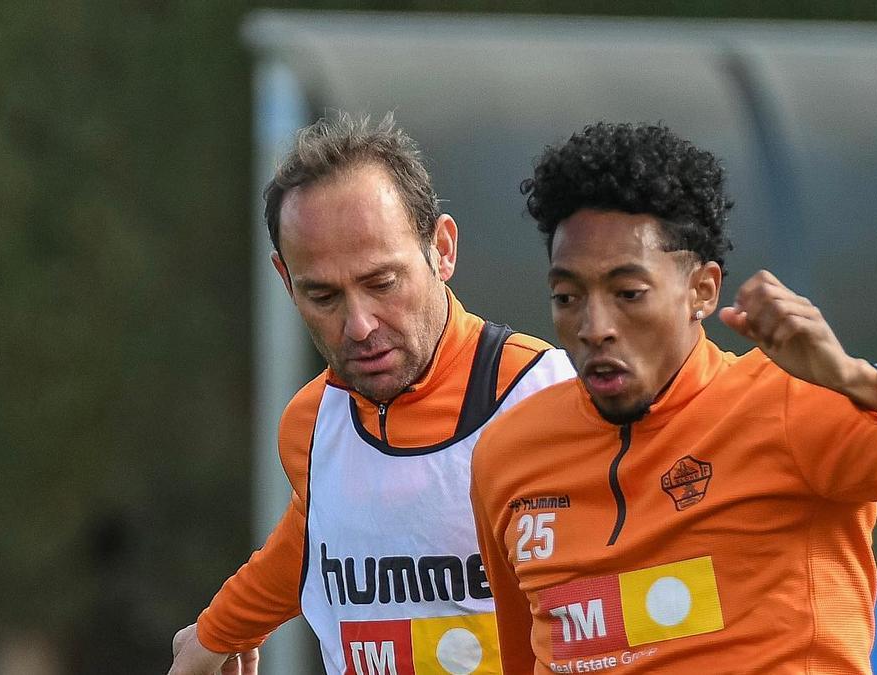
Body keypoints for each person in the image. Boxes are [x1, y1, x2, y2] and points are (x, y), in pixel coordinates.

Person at [469, 122, 877, 674]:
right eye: (568, 296)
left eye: (628, 293)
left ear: (702, 290)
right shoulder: (510, 453)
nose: (594, 325)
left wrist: (857, 381)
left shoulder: (796, 405)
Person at [168, 113, 574, 675]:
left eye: (382, 282)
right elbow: (318, 537)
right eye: (323, 295)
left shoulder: (551, 398)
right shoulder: (312, 423)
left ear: (443, 249)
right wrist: (215, 634)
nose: (359, 325)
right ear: (286, 281)